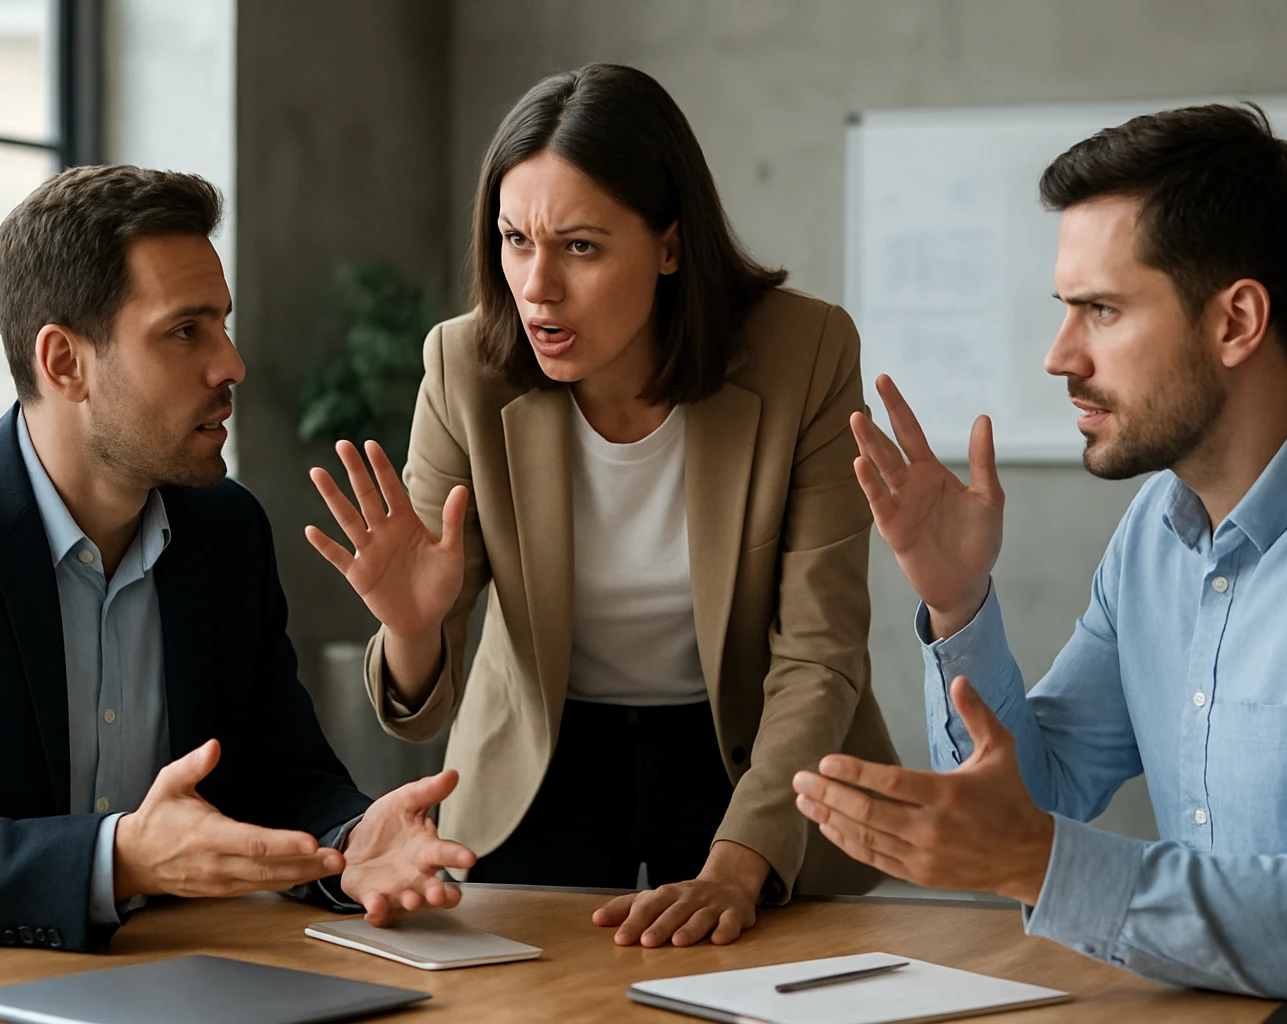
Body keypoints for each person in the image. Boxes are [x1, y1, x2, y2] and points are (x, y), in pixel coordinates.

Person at [792, 104, 1287, 1023]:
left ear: (1237, 321)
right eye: (1065, 309)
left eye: (1100, 310)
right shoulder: (1157, 529)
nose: (1059, 356)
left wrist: (1035, 858)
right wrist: (956, 604)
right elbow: (1036, 793)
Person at [308, 62, 897, 949]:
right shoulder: (462, 366)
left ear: (670, 245)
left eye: (580, 246)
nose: (537, 286)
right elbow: (420, 709)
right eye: (514, 240)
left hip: (743, 745)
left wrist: (739, 860)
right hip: (542, 758)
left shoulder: (803, 351)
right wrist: (416, 630)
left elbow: (819, 652)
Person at [0, 165, 476, 952]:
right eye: (186, 331)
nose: (232, 366)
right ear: (64, 363)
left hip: (191, 980)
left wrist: (353, 841)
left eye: (223, 323)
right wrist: (115, 859)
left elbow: (281, 778)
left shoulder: (226, 532)